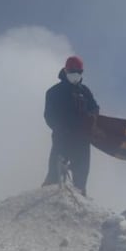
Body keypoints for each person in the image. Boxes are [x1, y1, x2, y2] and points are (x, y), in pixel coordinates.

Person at [42, 56, 99, 196]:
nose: (76, 74)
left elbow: (95, 108)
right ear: (66, 71)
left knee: (81, 176)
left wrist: (92, 117)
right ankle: (47, 202)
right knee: (55, 173)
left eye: (79, 71)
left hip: (82, 140)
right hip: (62, 138)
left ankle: (80, 202)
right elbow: (49, 115)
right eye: (73, 71)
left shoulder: (85, 91)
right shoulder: (54, 92)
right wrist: (60, 128)